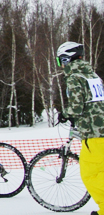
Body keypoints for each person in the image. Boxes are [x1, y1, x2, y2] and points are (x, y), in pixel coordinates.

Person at [55, 41, 104, 215]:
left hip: (95, 132)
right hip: (100, 128)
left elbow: (76, 106)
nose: (61, 66)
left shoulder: (75, 77)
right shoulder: (92, 75)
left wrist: (65, 113)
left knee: (90, 174)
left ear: (68, 59)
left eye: (61, 61)